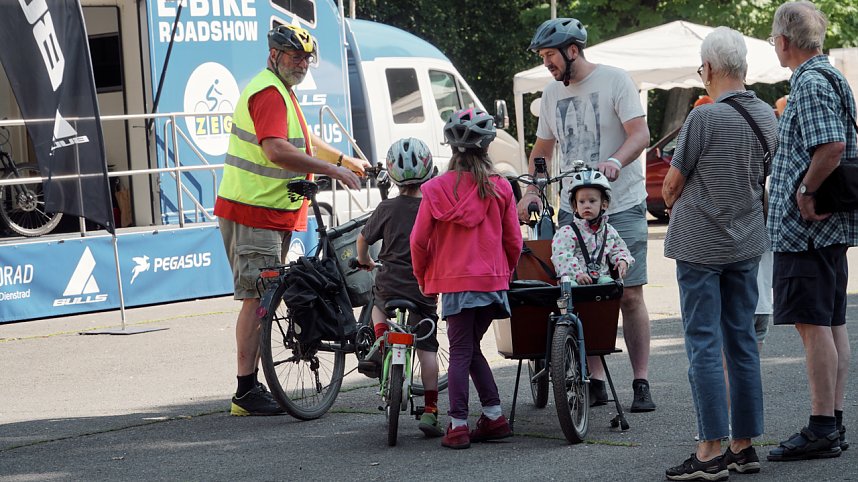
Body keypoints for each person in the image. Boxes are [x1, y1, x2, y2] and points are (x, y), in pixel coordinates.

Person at [215, 24, 366, 416]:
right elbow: (277, 151)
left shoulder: (282, 92)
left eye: (305, 58)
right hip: (254, 212)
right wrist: (333, 172)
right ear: (274, 55)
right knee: (256, 299)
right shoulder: (268, 92)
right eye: (293, 56)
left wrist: (343, 160)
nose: (301, 63)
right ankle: (245, 391)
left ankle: (250, 387)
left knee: (262, 296)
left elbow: (303, 142)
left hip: (271, 211)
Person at [521, 17, 655, 412]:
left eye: (550, 56)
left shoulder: (615, 80)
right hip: (571, 209)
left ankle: (640, 381)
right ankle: (595, 379)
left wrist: (615, 161)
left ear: (572, 51)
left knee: (629, 293)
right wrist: (531, 188)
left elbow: (640, 134)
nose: (547, 63)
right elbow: (542, 149)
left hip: (622, 203)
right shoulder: (549, 94)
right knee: (577, 292)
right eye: (544, 57)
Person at [661, 27, 776, 481]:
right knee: (742, 341)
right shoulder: (767, 116)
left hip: (700, 245)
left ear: (708, 69)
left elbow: (671, 185)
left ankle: (709, 449)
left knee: (704, 344)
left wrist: (675, 205)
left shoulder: (704, 119)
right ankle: (743, 446)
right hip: (746, 240)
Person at [767, 0, 854, 461]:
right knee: (830, 322)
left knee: (814, 324)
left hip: (808, 230)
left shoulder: (812, 83)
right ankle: (832, 422)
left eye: (773, 40)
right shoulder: (828, 75)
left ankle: (822, 425)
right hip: (824, 231)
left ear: (784, 41)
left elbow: (832, 146)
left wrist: (804, 190)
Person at [410, 108, 523, 449]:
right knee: (470, 349)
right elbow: (514, 240)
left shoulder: (434, 190)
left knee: (459, 351)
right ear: (487, 148)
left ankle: (457, 424)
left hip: (456, 284)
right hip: (491, 283)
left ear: (452, 149)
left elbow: (418, 241)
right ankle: (493, 416)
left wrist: (422, 277)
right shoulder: (501, 188)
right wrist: (506, 272)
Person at [354, 137, 443, 437]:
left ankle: (381, 340)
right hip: (424, 286)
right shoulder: (434, 207)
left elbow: (363, 240)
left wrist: (364, 260)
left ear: (391, 175)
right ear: (429, 169)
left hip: (390, 282)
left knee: (377, 305)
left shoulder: (386, 207)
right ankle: (430, 410)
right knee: (427, 349)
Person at [551, 169, 633, 287]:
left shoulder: (609, 231)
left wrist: (622, 260)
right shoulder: (567, 232)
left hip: (601, 277)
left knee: (611, 286)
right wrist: (577, 274)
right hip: (575, 278)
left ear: (604, 205)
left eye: (592, 201)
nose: (587, 205)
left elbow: (619, 249)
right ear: (575, 206)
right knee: (570, 287)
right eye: (582, 202)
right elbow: (562, 255)